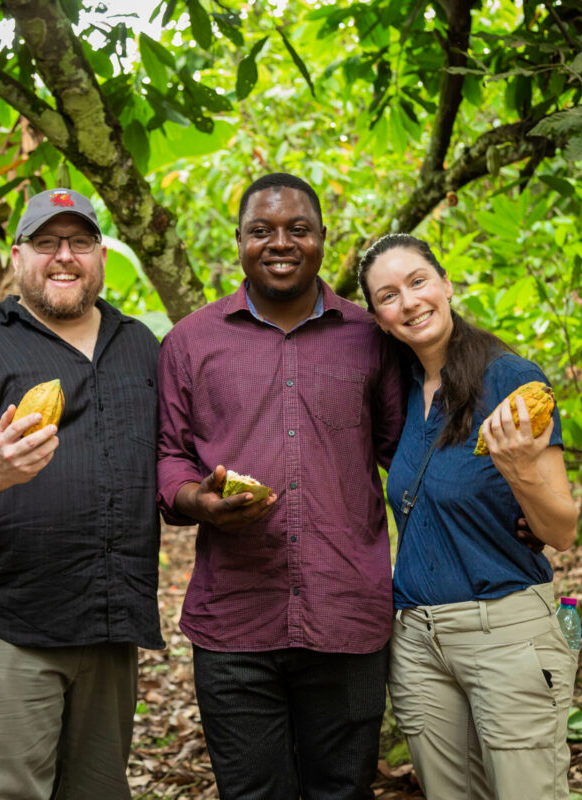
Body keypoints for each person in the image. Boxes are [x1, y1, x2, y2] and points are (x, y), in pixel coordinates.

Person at [0, 188, 163, 800]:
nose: (63, 256)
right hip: (8, 622)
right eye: (46, 243)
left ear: (101, 256)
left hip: (108, 622)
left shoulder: (140, 347)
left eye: (79, 243)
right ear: (17, 257)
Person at [156, 173, 405, 800]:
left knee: (341, 792)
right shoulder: (191, 341)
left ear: (324, 240)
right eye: (261, 230)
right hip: (235, 618)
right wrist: (198, 502)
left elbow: (409, 460)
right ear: (238, 242)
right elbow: (170, 457)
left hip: (347, 610)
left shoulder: (369, 337)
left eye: (298, 229)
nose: (280, 242)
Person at [356, 233, 579, 800]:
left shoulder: (511, 379)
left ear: (446, 285)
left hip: (504, 631)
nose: (408, 303)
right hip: (417, 641)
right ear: (378, 319)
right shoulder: (400, 391)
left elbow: (562, 530)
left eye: (417, 282)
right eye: (387, 296)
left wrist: (520, 469)